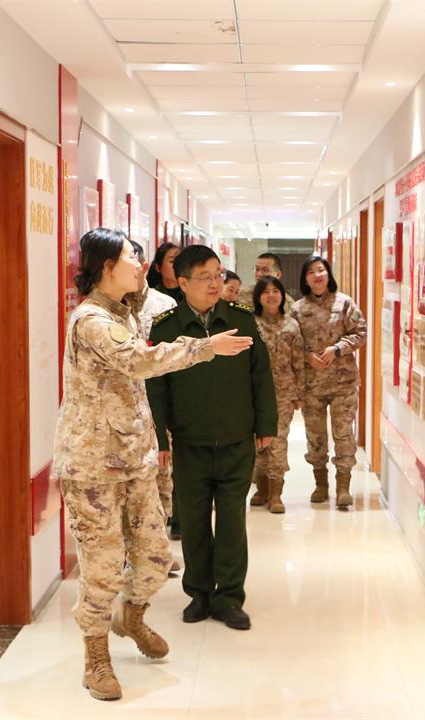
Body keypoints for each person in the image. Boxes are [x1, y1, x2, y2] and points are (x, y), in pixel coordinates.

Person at [53, 228, 252, 700]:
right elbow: (139, 361)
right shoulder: (92, 320)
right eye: (131, 257)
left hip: (134, 460)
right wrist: (204, 347)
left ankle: (131, 617)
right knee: (103, 568)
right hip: (94, 468)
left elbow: (159, 302)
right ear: (106, 267)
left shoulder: (124, 309)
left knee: (155, 558)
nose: (141, 264)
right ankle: (96, 657)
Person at [147, 245, 277, 631]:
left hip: (237, 439)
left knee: (233, 522)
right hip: (190, 442)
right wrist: (161, 440)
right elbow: (156, 389)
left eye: (218, 275)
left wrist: (266, 425)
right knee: (194, 522)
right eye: (205, 277)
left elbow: (261, 375)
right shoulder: (166, 328)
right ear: (182, 283)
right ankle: (199, 594)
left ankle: (229, 597)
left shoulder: (240, 320)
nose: (215, 284)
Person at [290, 255, 367, 509]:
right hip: (311, 384)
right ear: (305, 279)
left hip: (343, 383)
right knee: (315, 436)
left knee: (343, 433)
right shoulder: (297, 309)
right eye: (311, 272)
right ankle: (320, 484)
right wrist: (307, 356)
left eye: (321, 270)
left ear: (328, 274)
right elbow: (290, 342)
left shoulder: (344, 303)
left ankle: (343, 486)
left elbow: (361, 333)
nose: (317, 275)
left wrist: (337, 349)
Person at [128, 239, 181, 570]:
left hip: (158, 407)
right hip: (123, 413)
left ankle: (157, 552)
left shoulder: (164, 306)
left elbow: (176, 359)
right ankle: (130, 554)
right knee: (127, 485)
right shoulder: (108, 309)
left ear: (145, 266)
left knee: (161, 481)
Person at [250, 276, 305, 514]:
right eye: (266, 292)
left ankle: (275, 494)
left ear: (282, 295)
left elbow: (299, 363)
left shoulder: (291, 326)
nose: (271, 296)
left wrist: (299, 393)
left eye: (276, 291)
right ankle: (261, 489)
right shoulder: (251, 324)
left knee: (278, 442)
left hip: (282, 394)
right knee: (257, 443)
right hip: (254, 394)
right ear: (258, 297)